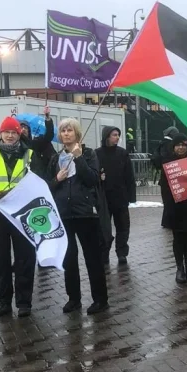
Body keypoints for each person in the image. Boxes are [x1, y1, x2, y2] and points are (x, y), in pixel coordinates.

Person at [0, 116, 43, 318]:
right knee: (1, 260)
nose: (10, 136)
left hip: (23, 215)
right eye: (7, 132)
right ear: (1, 134)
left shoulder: (30, 154)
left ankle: (24, 302)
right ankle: (3, 302)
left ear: (19, 134)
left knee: (25, 259)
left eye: (14, 132)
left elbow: (40, 183)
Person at [49, 118, 109, 315]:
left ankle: (100, 299)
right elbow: (49, 187)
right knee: (69, 258)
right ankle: (73, 298)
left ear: (77, 133)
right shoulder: (55, 158)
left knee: (92, 258)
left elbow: (93, 180)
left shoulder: (89, 153)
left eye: (70, 130)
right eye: (63, 130)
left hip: (85, 214)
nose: (66, 133)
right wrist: (56, 180)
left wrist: (79, 158)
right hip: (64, 214)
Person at [159, 134, 187, 284]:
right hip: (176, 208)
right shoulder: (168, 163)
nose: (180, 148)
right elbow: (164, 187)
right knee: (178, 239)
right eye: (178, 145)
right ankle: (180, 269)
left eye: (183, 145)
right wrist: (169, 204)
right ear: (173, 147)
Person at [96, 126, 136, 265]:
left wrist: (131, 197)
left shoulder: (122, 153)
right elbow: (91, 174)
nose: (117, 137)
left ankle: (122, 253)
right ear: (107, 136)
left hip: (120, 197)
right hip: (104, 199)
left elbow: (129, 176)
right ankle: (104, 253)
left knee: (123, 227)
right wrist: (98, 177)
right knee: (104, 229)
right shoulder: (97, 154)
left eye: (118, 135)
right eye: (114, 135)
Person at [19, 105, 56, 179]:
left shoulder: (35, 143)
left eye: (25, 127)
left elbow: (49, 136)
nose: (23, 129)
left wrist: (47, 118)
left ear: (29, 130)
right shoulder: (16, 145)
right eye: (21, 127)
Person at [154, 126, 180, 228]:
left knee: (167, 201)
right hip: (170, 177)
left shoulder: (161, 143)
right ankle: (169, 222)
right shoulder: (169, 145)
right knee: (171, 201)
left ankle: (166, 221)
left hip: (164, 177)